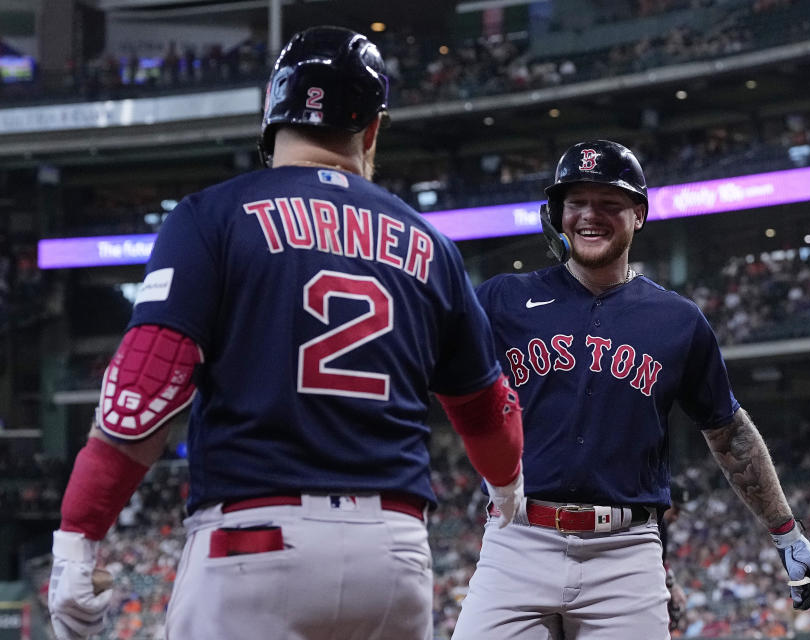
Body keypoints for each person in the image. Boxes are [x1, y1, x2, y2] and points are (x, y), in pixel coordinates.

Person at [46, 26, 525, 640]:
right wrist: (507, 490)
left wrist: (77, 540)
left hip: (253, 541)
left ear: (270, 119)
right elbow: (487, 413)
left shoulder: (210, 216)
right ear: (372, 128)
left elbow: (144, 392)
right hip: (395, 553)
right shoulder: (431, 243)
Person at [452, 139, 810, 639]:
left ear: (640, 214)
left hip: (625, 555)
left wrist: (786, 533)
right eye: (577, 202)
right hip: (517, 539)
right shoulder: (502, 299)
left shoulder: (678, 321)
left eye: (609, 203)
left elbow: (729, 433)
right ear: (556, 213)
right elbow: (433, 369)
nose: (590, 215)